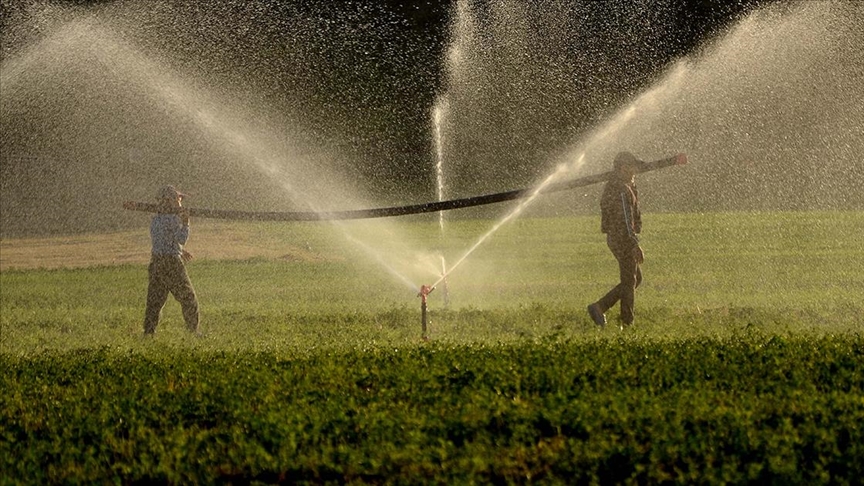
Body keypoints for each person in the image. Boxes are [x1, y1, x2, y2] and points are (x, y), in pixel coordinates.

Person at [587, 152, 647, 330]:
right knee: (629, 282)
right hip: (622, 239)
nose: (635, 170)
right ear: (623, 168)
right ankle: (627, 324)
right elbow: (626, 220)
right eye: (632, 166)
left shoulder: (624, 186)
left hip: (619, 238)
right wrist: (634, 244)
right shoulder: (620, 189)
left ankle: (599, 307)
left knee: (635, 279)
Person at [143, 185, 199, 335]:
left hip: (156, 262)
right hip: (172, 264)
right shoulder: (174, 220)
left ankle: (149, 333)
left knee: (155, 301)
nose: (181, 202)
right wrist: (186, 223)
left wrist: (180, 252)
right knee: (188, 298)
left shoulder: (156, 220)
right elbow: (181, 239)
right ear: (171, 201)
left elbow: (164, 241)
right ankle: (193, 331)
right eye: (179, 199)